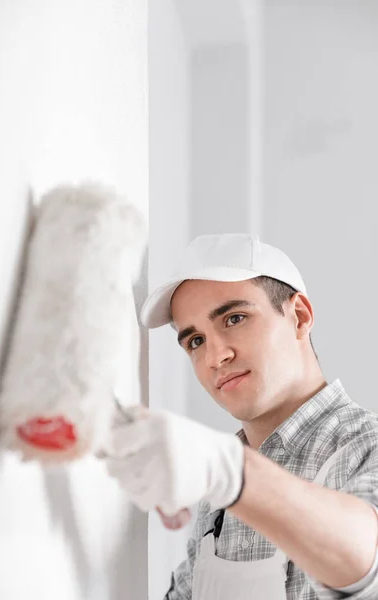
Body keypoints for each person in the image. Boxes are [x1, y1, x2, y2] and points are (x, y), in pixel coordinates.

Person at [105, 233, 378, 600]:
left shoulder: (366, 444)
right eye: (195, 341)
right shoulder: (216, 498)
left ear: (299, 316)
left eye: (234, 318)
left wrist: (229, 471)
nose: (215, 356)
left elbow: (364, 554)